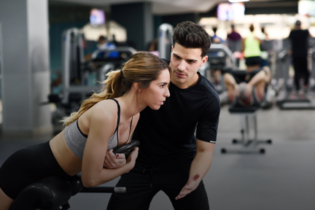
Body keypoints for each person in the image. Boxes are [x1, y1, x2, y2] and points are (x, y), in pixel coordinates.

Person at [0, 52, 171, 210]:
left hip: (59, 174)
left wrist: (119, 160)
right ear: (139, 85)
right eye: (162, 85)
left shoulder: (135, 116)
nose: (168, 93)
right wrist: (127, 166)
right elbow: (90, 179)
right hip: (27, 168)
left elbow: (110, 156)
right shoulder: (106, 114)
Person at [107, 21, 220, 210]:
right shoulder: (149, 76)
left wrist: (195, 179)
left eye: (191, 61)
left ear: (203, 61)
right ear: (171, 50)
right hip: (139, 163)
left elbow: (204, 151)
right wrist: (108, 147)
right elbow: (117, 114)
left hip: (181, 166)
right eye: (177, 57)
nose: (181, 67)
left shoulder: (208, 98)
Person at [288, 20, 311, 95]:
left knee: (296, 72)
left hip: (295, 55)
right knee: (306, 72)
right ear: (300, 25)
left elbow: (288, 41)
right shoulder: (305, 32)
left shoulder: (292, 32)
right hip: (303, 55)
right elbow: (311, 37)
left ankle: (298, 88)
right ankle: (305, 85)